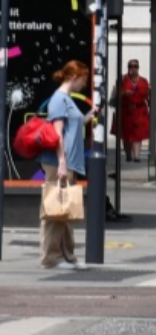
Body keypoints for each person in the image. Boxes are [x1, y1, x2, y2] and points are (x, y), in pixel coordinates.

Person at [37, 60, 96, 271]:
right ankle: (52, 257)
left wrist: (89, 116)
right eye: (83, 79)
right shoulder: (59, 100)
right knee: (55, 210)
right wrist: (62, 162)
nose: (84, 84)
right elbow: (57, 134)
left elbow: (73, 126)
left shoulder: (66, 99)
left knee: (65, 209)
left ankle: (67, 255)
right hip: (60, 162)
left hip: (68, 162)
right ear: (74, 78)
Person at [111, 59, 151, 162]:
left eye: (135, 66)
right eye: (130, 66)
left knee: (137, 135)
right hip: (126, 110)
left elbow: (148, 95)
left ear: (138, 68)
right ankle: (128, 154)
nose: (133, 68)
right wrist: (124, 93)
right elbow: (115, 95)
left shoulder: (144, 81)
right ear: (128, 67)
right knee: (127, 135)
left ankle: (137, 156)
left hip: (139, 110)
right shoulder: (122, 79)